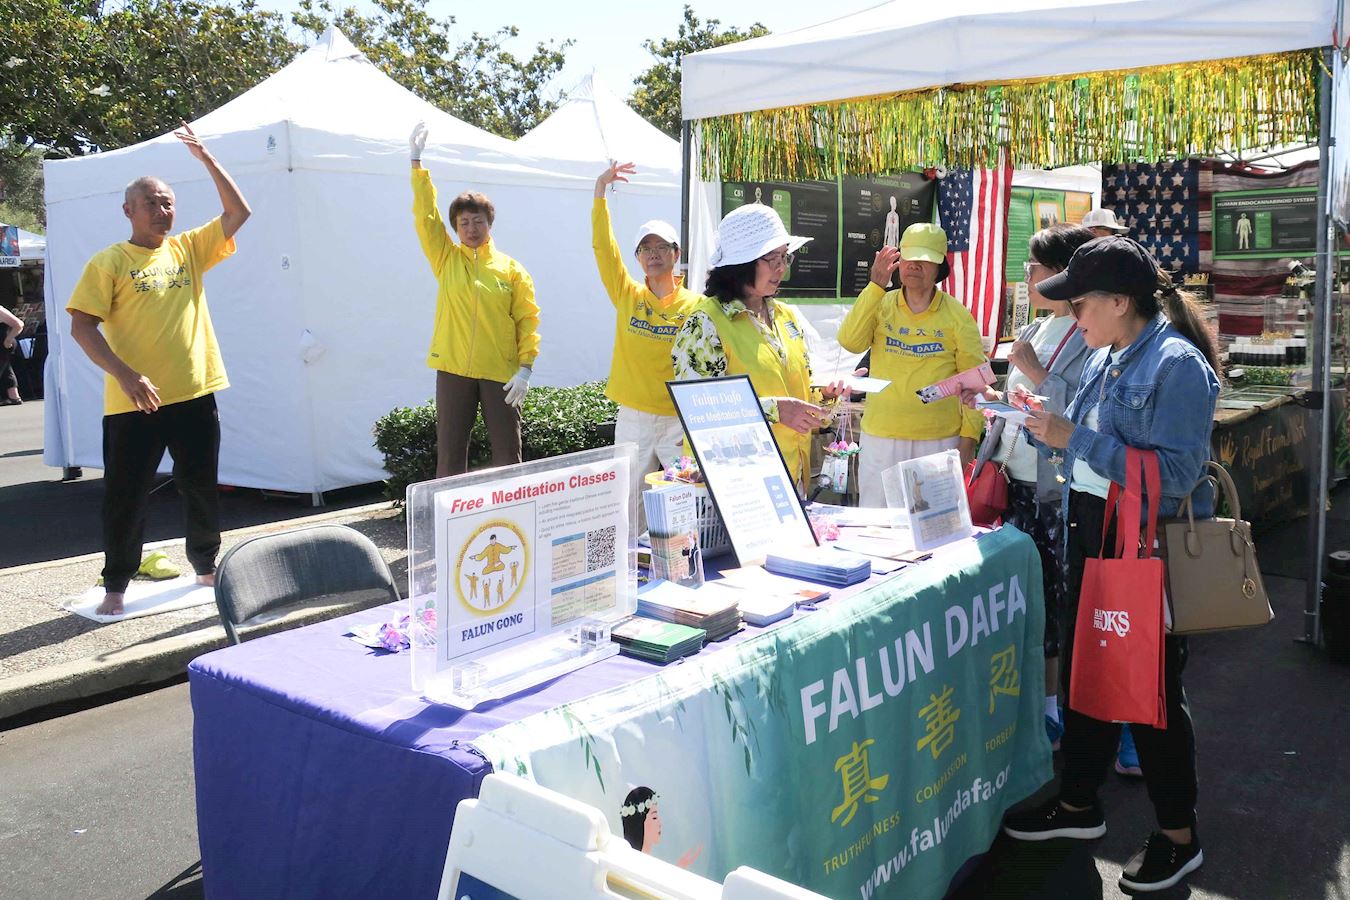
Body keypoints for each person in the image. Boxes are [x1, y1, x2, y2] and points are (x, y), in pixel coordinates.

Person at [1001, 236, 1221, 895]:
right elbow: (1090, 442)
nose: (1074, 318)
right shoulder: (1114, 352)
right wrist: (1047, 421)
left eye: (1081, 304)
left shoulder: (1177, 364)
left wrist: (1075, 438)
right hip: (1095, 533)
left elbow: (1178, 476)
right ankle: (1077, 804)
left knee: (1148, 692)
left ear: (1120, 302)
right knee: (1088, 673)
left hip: (1141, 545)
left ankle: (1180, 836)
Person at [66, 122, 251, 616]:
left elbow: (239, 212)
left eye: (168, 202)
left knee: (200, 486)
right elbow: (82, 328)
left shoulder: (187, 249)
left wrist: (207, 159)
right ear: (129, 210)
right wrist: (125, 374)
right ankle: (116, 584)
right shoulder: (110, 262)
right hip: (133, 401)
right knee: (126, 496)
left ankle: (206, 567)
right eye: (152, 202)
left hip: (193, 392)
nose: (162, 210)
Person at [967, 225, 1096, 749]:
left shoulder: (1086, 331)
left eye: (1036, 268)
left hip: (1054, 486)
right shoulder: (1042, 327)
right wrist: (991, 399)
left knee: (1056, 594)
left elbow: (1080, 410)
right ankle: (1039, 699)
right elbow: (1025, 400)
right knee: (1028, 593)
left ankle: (1058, 705)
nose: (1029, 277)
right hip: (1015, 477)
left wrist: (1033, 371)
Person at [671, 204, 847, 492]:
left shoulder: (786, 317)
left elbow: (798, 396)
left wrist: (825, 396)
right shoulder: (705, 323)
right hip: (734, 486)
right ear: (743, 263)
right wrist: (775, 410)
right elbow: (698, 409)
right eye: (772, 258)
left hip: (789, 477)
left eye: (785, 257)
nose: (781, 268)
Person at [409, 121, 540, 478]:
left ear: (489, 223)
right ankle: (450, 526)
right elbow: (426, 219)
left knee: (508, 457)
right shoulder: (446, 258)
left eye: (477, 220)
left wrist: (525, 368)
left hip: (500, 372)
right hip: (453, 369)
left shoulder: (512, 269)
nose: (470, 228)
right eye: (463, 222)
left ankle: (514, 520)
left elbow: (528, 319)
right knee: (450, 457)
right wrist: (417, 166)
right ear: (455, 227)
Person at [837, 223, 985, 508]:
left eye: (924, 260)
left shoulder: (958, 316)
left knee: (934, 527)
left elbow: (974, 381)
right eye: (908, 258)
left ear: (940, 266)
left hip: (939, 440)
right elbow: (850, 341)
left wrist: (968, 438)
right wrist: (875, 286)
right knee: (876, 528)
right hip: (881, 436)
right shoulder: (881, 302)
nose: (914, 266)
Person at [592, 161, 701, 514]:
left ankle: (682, 563)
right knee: (626, 502)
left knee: (683, 497)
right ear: (638, 258)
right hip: (634, 418)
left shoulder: (697, 306)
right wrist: (599, 192)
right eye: (645, 248)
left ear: (677, 254)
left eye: (661, 247)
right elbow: (604, 251)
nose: (653, 254)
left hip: (677, 419)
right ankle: (630, 566)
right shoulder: (627, 295)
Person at [0, 305, 24, 405]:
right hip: (3, 344)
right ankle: (14, 397)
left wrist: (8, 339)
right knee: (6, 370)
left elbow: (19, 324)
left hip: (4, 344)